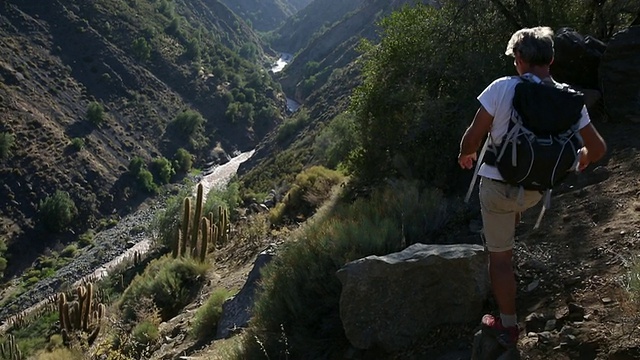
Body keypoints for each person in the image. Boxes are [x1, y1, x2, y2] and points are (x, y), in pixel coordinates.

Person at [457, 27, 607, 348]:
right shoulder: (569, 99)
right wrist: (574, 162)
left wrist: (466, 155)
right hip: (537, 191)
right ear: (551, 59)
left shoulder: (501, 88)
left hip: (497, 189)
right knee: (516, 207)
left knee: (500, 260)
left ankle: (508, 326)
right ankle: (516, 215)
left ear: (519, 60)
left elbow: (472, 138)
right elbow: (596, 150)